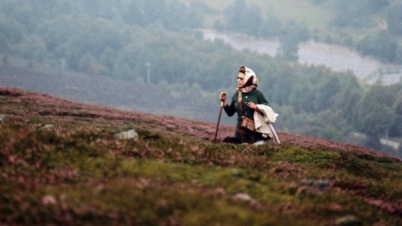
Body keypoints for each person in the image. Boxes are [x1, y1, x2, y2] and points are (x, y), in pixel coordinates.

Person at [219, 66, 272, 144]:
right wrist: (224, 102)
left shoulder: (257, 94)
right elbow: (230, 113)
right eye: (238, 78)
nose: (238, 80)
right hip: (240, 135)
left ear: (248, 79)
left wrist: (256, 107)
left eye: (241, 79)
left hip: (256, 135)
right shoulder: (236, 94)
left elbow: (268, 110)